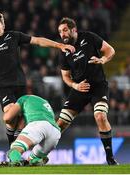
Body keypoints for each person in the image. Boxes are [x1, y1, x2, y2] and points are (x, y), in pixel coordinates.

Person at [0, 10, 74, 149]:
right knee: (8, 117)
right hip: (2, 87)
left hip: (20, 84)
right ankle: (12, 145)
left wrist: (59, 45)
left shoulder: (14, 36)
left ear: (3, 25)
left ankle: (14, 150)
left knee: (20, 121)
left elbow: (37, 41)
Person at [57, 17, 118, 165]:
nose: (62, 34)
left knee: (100, 116)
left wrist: (103, 60)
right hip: (79, 88)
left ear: (74, 30)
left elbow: (110, 50)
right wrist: (75, 86)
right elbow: (65, 76)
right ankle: (39, 156)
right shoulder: (64, 50)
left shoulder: (88, 37)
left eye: (65, 30)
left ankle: (110, 158)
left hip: (98, 85)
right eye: (60, 31)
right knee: (59, 124)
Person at [4, 95, 61, 166]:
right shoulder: (45, 102)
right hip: (55, 132)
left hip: (38, 124)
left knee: (14, 149)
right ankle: (37, 159)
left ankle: (17, 162)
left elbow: (7, 118)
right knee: (32, 160)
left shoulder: (23, 98)